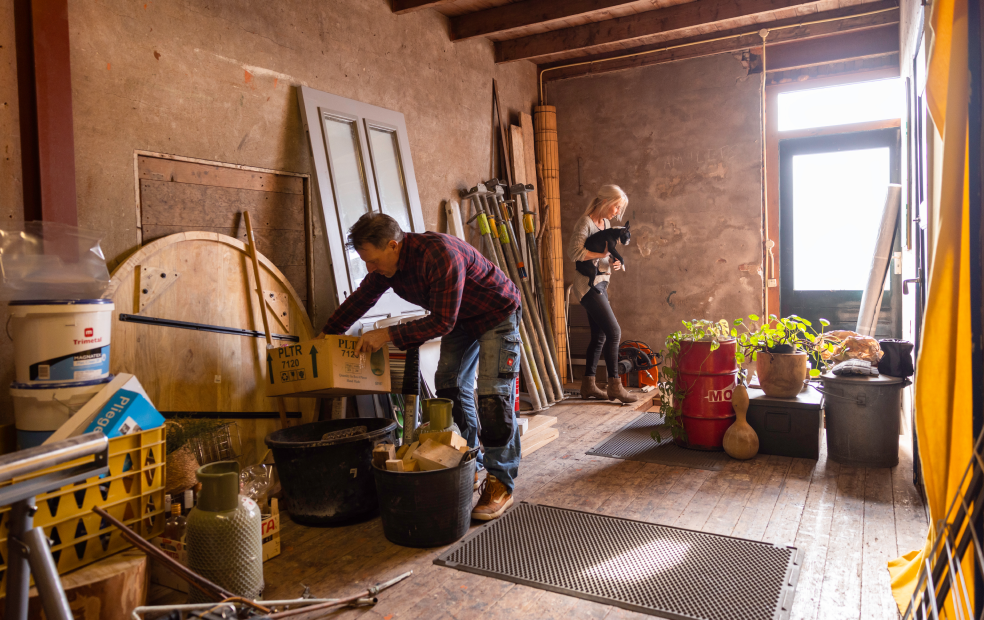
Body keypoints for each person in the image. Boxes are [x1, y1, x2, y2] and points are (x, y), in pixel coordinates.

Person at [321, 212, 523, 520]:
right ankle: (470, 463)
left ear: (393, 246)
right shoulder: (387, 268)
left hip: (496, 313)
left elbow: (442, 321)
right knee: (449, 389)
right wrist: (326, 335)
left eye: (373, 261)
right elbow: (361, 299)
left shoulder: (440, 255)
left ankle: (500, 483)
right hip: (462, 320)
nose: (370, 269)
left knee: (493, 399)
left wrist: (387, 334)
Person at [568, 185, 639, 404]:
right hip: (587, 287)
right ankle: (615, 386)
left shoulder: (606, 224)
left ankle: (588, 385)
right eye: (616, 206)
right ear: (605, 201)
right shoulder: (585, 223)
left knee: (599, 336)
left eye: (620, 209)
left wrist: (613, 262)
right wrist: (602, 254)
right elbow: (574, 253)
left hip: (602, 283)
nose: (617, 212)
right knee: (614, 332)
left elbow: (605, 254)